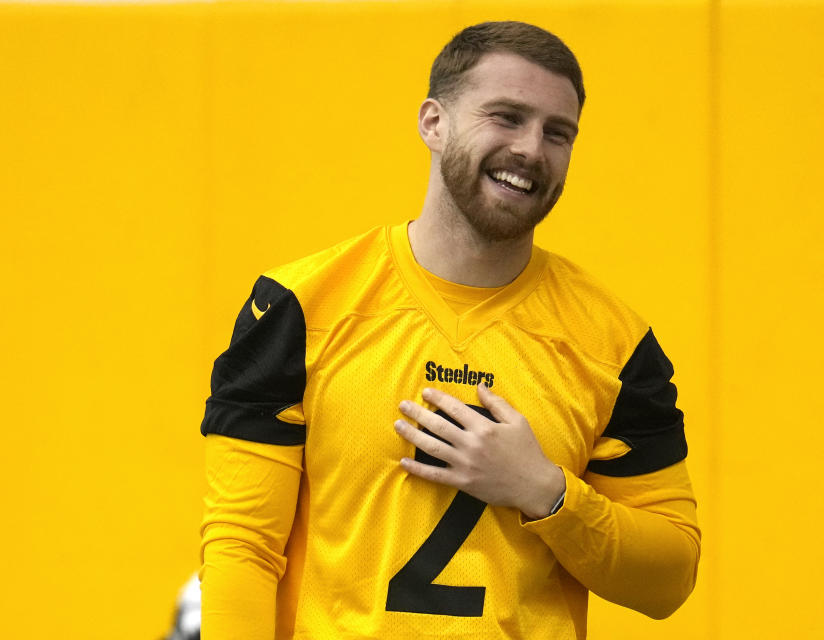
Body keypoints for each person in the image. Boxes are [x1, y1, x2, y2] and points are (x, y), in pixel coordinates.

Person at [200, 20, 700, 640]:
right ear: (433, 122)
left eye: (558, 133)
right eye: (507, 117)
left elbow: (670, 578)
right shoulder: (300, 306)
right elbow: (242, 548)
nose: (532, 150)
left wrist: (547, 494)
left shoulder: (614, 344)